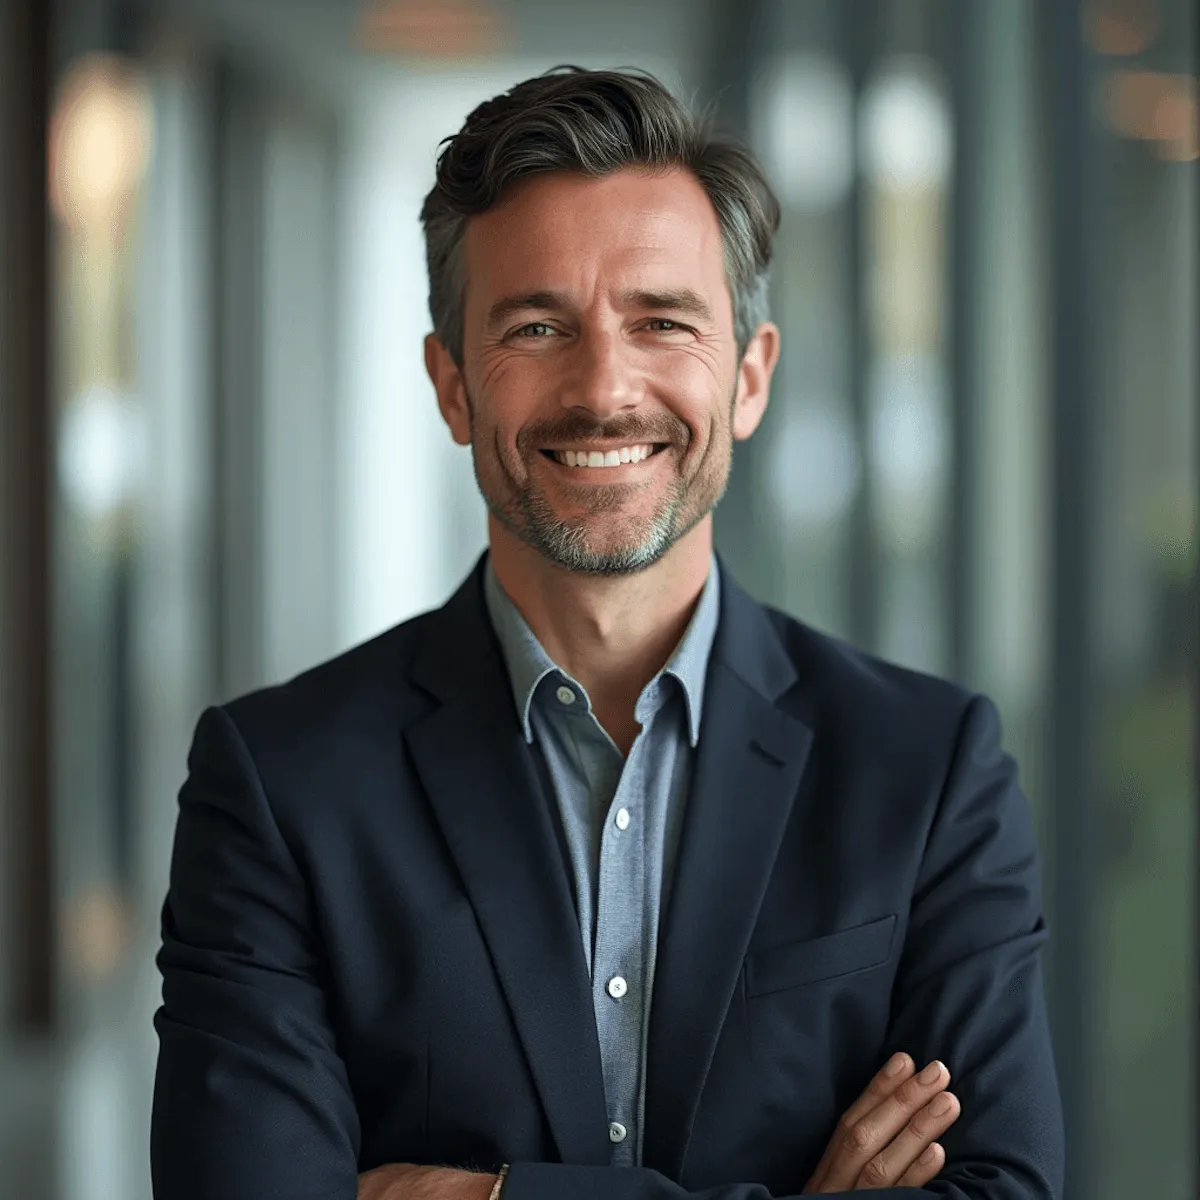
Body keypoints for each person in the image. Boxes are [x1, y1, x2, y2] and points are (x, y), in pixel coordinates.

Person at [150, 66, 1065, 1200]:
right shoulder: (279, 782)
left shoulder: (928, 769)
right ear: (451, 389)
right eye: (537, 326)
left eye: (663, 322)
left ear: (749, 377)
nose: (604, 387)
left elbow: (1002, 1190)